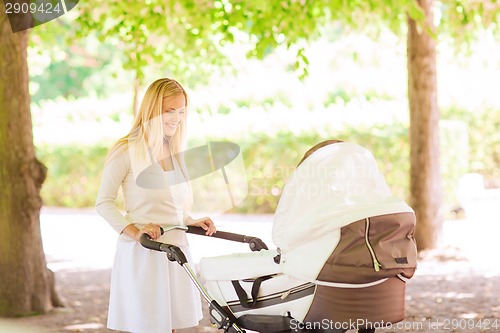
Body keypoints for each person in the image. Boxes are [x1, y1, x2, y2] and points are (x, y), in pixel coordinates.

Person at [96, 78, 216, 333]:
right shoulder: (126, 150)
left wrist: (189, 219)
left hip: (175, 252)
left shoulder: (171, 151)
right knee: (150, 327)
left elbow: (169, 202)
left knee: (170, 328)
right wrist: (135, 231)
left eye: (181, 111)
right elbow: (103, 203)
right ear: (152, 109)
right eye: (169, 111)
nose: (177, 118)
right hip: (145, 254)